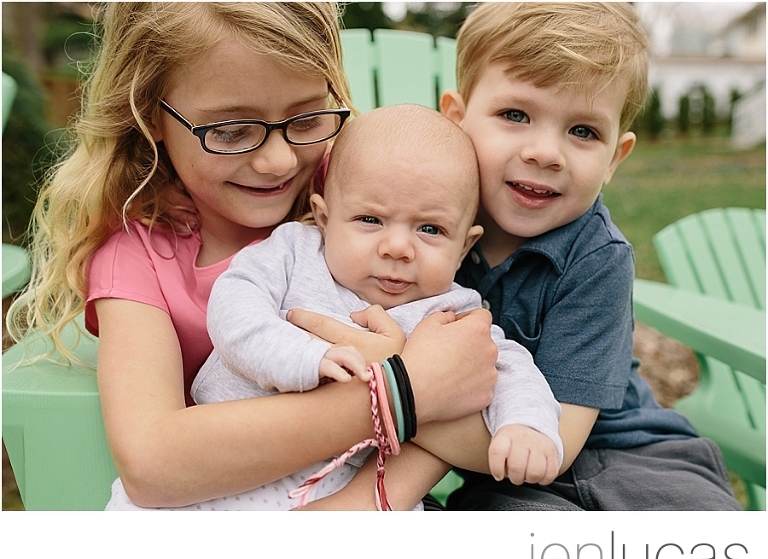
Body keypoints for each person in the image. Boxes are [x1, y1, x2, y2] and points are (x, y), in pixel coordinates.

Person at [6, 2, 500, 511]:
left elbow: (487, 431)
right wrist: (397, 388)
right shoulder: (139, 259)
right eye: (230, 131)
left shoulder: (370, 196)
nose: (278, 160)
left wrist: (371, 500)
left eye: (306, 118)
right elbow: (151, 463)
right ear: (151, 114)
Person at [150, 104, 559, 511]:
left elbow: (508, 367)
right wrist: (302, 357)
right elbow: (234, 306)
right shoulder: (294, 252)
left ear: (464, 247)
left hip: (347, 486)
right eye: (370, 220)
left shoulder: (451, 311)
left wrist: (526, 425)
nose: (397, 248)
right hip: (228, 459)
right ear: (324, 218)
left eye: (430, 229)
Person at [436, 2, 742, 510]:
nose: (545, 152)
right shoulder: (412, 230)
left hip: (630, 457)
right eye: (515, 115)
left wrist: (384, 412)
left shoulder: (596, 257)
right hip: (506, 479)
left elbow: (552, 444)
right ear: (456, 119)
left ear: (614, 159)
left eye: (583, 131)